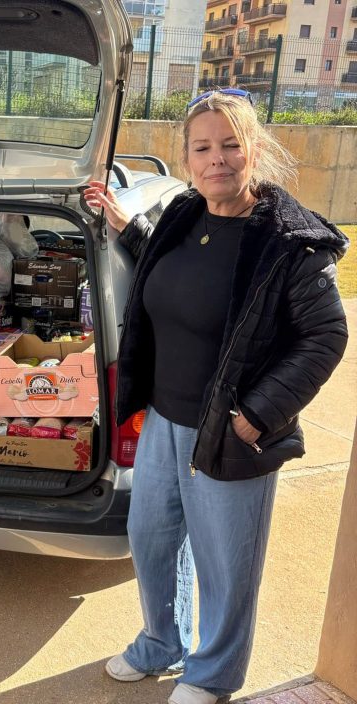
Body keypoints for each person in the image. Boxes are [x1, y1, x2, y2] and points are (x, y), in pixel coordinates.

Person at [83, 88, 348, 704]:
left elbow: (326, 335)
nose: (217, 159)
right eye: (202, 147)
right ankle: (160, 641)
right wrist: (125, 225)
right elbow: (163, 269)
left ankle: (214, 673)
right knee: (150, 539)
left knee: (225, 564)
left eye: (231, 145)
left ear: (255, 149)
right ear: (187, 156)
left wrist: (256, 417)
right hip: (164, 422)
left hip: (231, 431)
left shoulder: (288, 242)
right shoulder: (183, 219)